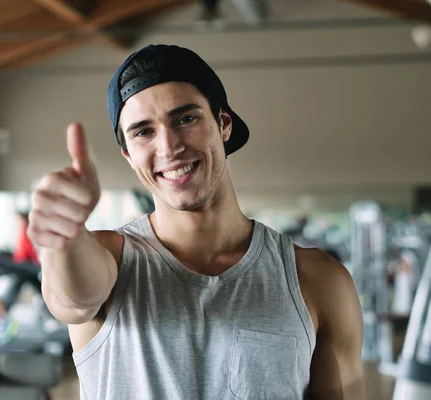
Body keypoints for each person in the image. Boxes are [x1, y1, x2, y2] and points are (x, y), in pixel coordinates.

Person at [28, 44, 365, 399]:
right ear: (128, 155)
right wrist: (63, 240)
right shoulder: (110, 259)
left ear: (223, 123)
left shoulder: (318, 280)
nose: (169, 146)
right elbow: (74, 298)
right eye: (144, 131)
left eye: (185, 119)